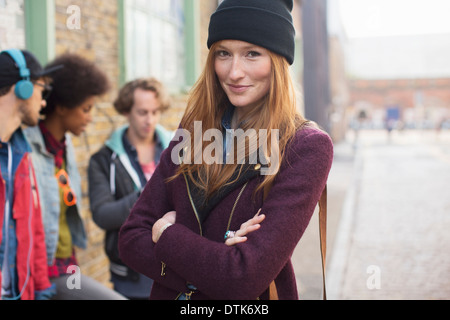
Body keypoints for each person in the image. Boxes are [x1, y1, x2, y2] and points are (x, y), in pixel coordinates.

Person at [119, 0, 334, 300]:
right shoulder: (194, 129)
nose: (234, 72)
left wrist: (168, 234)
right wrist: (216, 261)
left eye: (252, 54)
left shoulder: (305, 146)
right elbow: (131, 238)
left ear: (279, 60)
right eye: (223, 53)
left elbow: (244, 277)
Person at [23, 53, 126, 300]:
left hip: (67, 266)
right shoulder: (27, 149)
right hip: (42, 271)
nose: (90, 117)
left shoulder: (65, 145)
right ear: (61, 106)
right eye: (85, 109)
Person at [88, 78, 173, 299]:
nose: (150, 120)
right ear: (127, 111)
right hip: (130, 276)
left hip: (175, 268)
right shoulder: (104, 159)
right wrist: (149, 195)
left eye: (155, 112)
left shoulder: (177, 149)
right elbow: (102, 215)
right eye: (142, 112)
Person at [0, 49, 59, 300]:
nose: (44, 102)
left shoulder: (22, 153)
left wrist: (42, 289)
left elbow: (34, 229)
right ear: (23, 86)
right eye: (42, 90)